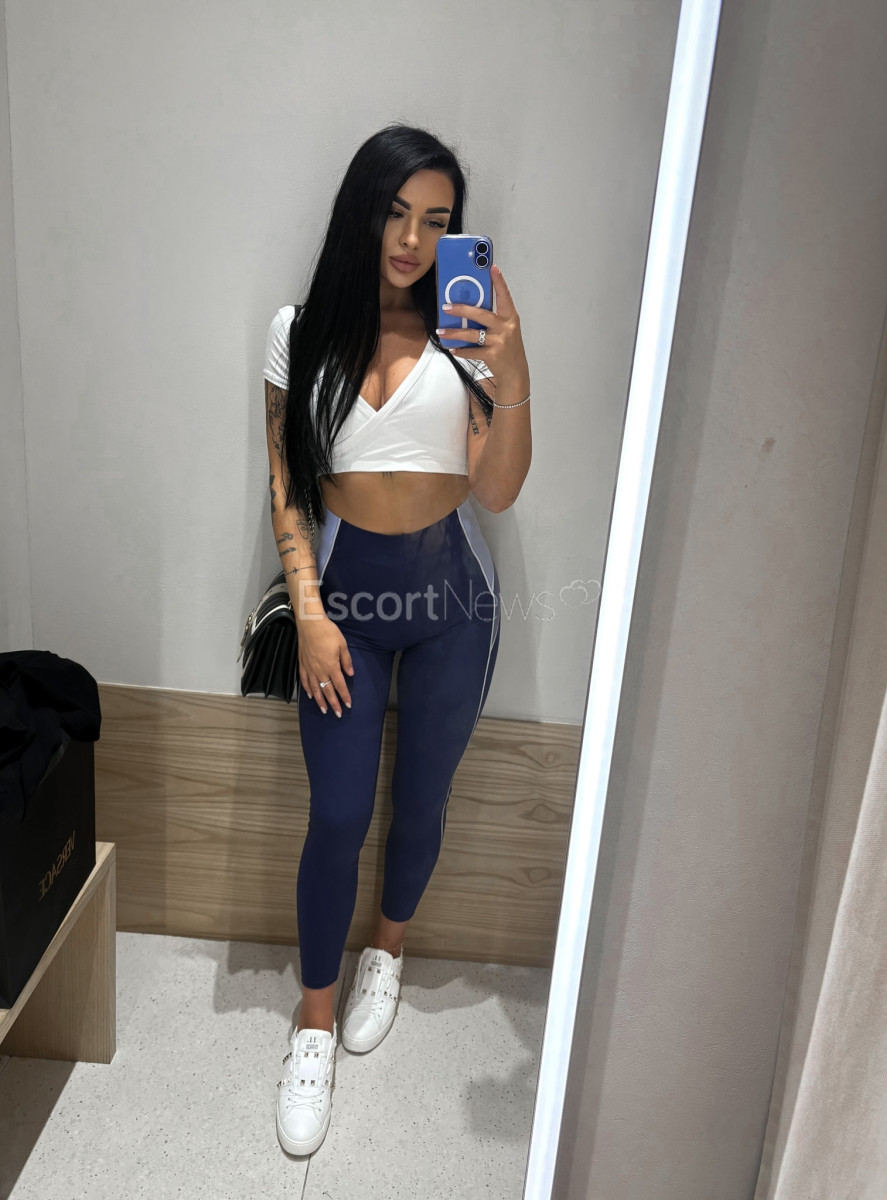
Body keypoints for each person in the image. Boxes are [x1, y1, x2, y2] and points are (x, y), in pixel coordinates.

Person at [262, 124, 531, 1156]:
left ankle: (389, 949)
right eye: (396, 212)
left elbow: (497, 490)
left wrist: (508, 367)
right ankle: (313, 1022)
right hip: (343, 611)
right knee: (337, 814)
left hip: (454, 602)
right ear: (363, 211)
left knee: (423, 796)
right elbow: (286, 482)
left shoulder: (470, 332)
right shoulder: (299, 334)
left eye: (438, 220)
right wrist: (309, 611)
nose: (414, 239)